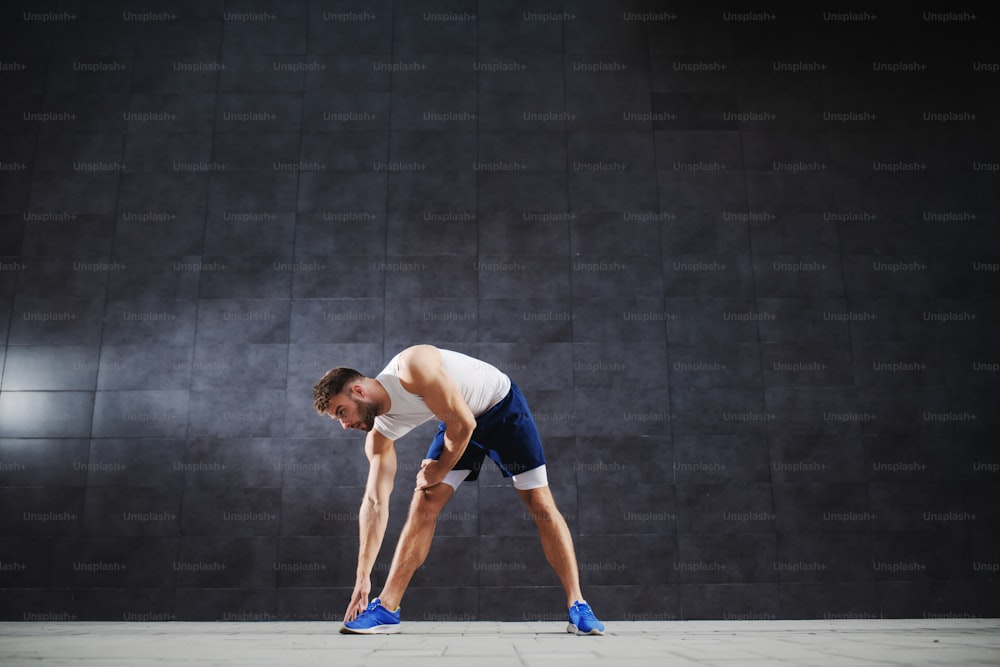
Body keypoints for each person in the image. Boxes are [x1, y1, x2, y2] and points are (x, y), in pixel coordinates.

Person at [313, 344, 605, 635]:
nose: (344, 425)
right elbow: (375, 502)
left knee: (540, 503)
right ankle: (387, 609)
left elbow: (464, 424)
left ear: (359, 392)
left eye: (342, 412)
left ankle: (578, 604)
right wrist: (362, 577)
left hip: (501, 408)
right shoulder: (380, 435)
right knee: (424, 502)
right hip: (456, 420)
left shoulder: (411, 366)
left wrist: (439, 468)